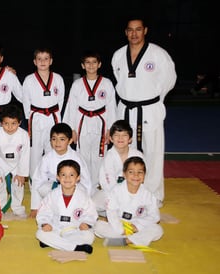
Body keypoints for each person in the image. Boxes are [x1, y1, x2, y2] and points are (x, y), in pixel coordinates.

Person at [111, 17, 177, 206]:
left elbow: (169, 80)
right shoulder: (118, 55)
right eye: (130, 30)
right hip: (125, 109)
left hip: (149, 110)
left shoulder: (158, 54)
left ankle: (154, 196)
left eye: (138, 29)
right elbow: (120, 80)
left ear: (145, 31)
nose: (134, 33)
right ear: (126, 32)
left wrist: (154, 100)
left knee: (153, 152)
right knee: (123, 150)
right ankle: (125, 192)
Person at [63, 50, 117, 191]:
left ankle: (99, 186)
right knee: (83, 156)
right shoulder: (77, 84)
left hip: (101, 122)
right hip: (82, 122)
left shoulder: (107, 83)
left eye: (94, 62)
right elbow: (71, 107)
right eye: (87, 62)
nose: (91, 65)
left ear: (99, 64)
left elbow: (112, 107)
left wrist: (111, 129)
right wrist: (72, 130)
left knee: (100, 155)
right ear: (83, 65)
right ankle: (85, 188)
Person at [94, 156, 163, 247]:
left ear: (144, 175)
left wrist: (137, 226)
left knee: (158, 230)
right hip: (119, 223)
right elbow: (112, 212)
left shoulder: (147, 194)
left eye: (140, 172)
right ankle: (136, 238)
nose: (136, 175)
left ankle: (127, 240)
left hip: (136, 224)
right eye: (131, 172)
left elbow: (155, 216)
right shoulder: (116, 191)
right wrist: (121, 230)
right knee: (98, 227)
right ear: (124, 174)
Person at [30, 123, 92, 218]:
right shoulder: (47, 158)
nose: (57, 143)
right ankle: (53, 208)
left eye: (62, 139)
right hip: (55, 187)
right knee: (42, 188)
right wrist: (35, 208)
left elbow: (86, 181)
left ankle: (71, 207)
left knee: (81, 192)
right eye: (54, 139)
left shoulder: (77, 157)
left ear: (70, 141)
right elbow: (38, 180)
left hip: (73, 187)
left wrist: (87, 204)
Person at [36, 159, 98, 254]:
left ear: (78, 178)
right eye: (63, 175)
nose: (67, 178)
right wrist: (45, 224)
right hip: (55, 228)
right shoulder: (52, 195)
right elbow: (43, 212)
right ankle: (75, 247)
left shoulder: (83, 196)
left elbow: (91, 213)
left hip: (75, 229)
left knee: (89, 236)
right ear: (57, 177)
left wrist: (86, 223)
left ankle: (55, 243)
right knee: (40, 234)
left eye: (71, 175)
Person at [22, 48, 65, 178]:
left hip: (53, 116)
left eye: (46, 58)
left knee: (53, 148)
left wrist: (57, 115)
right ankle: (34, 179)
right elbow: (25, 100)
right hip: (36, 117)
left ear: (51, 61)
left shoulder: (58, 78)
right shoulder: (29, 80)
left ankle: (52, 178)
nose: (43, 62)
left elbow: (61, 99)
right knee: (35, 150)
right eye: (39, 59)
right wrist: (29, 117)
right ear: (34, 62)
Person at [92, 120, 144, 215]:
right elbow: (107, 181)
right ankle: (115, 212)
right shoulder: (109, 156)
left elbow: (141, 177)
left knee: (146, 203)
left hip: (133, 190)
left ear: (130, 139)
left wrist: (130, 193)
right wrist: (120, 196)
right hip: (113, 192)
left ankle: (123, 211)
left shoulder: (137, 155)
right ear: (111, 138)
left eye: (124, 135)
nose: (120, 138)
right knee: (92, 204)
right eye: (116, 135)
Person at [0, 104, 30, 219]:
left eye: (13, 124)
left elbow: (25, 155)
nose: (10, 127)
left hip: (17, 164)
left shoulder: (24, 135)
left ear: (20, 122)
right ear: (1, 123)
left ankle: (17, 207)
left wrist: (21, 173)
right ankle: (0, 207)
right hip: (1, 163)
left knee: (18, 184)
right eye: (6, 124)